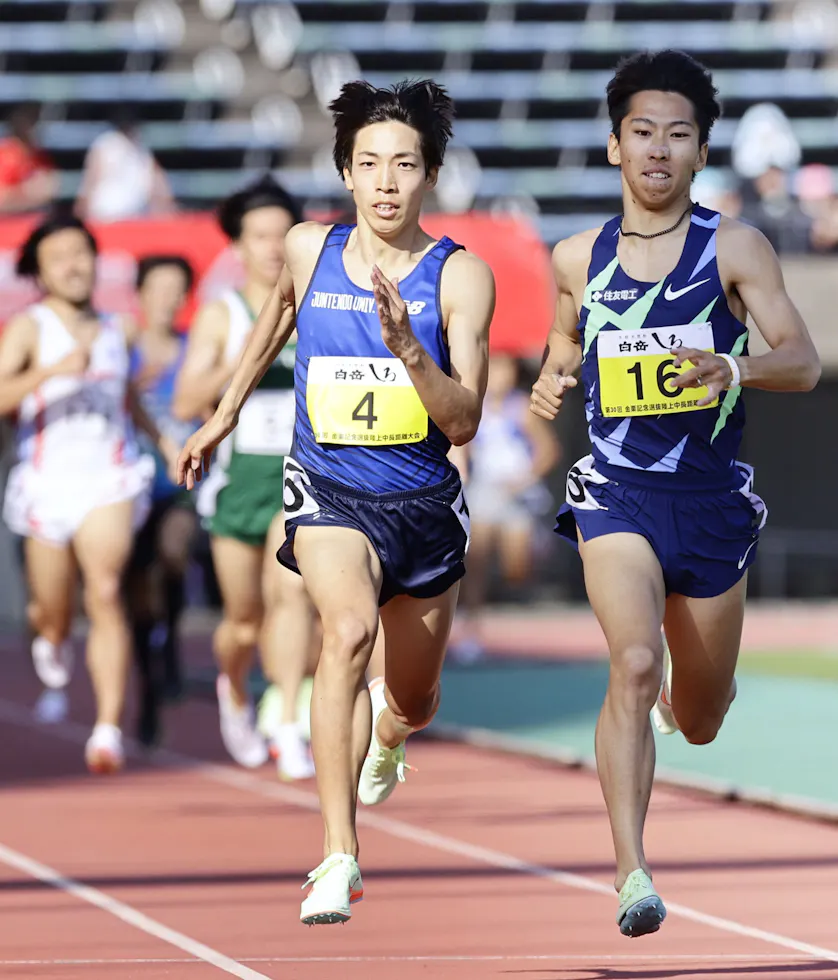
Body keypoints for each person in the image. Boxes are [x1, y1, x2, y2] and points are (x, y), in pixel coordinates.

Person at [178, 79, 495, 925]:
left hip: (424, 504)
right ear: (346, 175)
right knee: (346, 631)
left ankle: (391, 734)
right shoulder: (309, 249)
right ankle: (336, 852)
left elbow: (464, 421)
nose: (386, 182)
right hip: (328, 489)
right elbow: (273, 323)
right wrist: (221, 415)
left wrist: (407, 352)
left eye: (404, 165)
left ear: (430, 175)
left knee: (415, 697)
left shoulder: (460, 278)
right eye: (369, 165)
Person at [530, 50, 821, 938]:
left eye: (679, 135)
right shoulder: (576, 257)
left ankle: (688, 699)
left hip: (709, 503)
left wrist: (731, 363)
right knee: (632, 660)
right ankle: (631, 873)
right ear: (615, 146)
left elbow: (803, 362)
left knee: (698, 717)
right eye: (643, 133)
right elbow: (561, 348)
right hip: (616, 493)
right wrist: (551, 379)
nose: (659, 150)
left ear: (700, 153)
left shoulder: (735, 247)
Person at [0, 214, 179, 772]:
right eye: (61, 258)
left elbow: (126, 395)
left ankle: (106, 728)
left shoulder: (115, 328)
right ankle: (48, 631)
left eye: (82, 253)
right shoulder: (31, 328)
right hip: (47, 480)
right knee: (55, 611)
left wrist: (165, 442)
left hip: (109, 474)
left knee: (104, 590)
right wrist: (52, 370)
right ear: (42, 271)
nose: (76, 265)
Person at [172, 175, 316, 780]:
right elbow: (184, 402)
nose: (272, 246)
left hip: (302, 476)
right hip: (239, 482)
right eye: (260, 236)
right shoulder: (222, 313)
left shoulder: (316, 302)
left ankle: (285, 719)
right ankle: (233, 682)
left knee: (293, 595)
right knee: (243, 619)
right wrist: (247, 359)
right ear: (238, 246)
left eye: (283, 234)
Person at [127, 254, 199, 747]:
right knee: (136, 593)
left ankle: (171, 643)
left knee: (173, 556)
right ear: (140, 294)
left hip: (177, 487)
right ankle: (148, 687)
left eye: (177, 289)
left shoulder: (194, 351)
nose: (167, 298)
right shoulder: (122, 350)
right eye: (158, 288)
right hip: (126, 487)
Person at [453, 352, 560, 662]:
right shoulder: (476, 407)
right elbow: (463, 448)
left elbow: (549, 451)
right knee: (475, 556)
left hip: (519, 491)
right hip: (485, 490)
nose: (500, 377)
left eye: (505, 370)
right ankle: (471, 629)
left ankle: (536, 547)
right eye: (494, 370)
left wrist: (523, 479)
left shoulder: (522, 408)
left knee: (517, 571)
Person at [0, 103, 58, 213]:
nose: (36, 125)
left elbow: (51, 187)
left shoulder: (39, 154)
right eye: (32, 119)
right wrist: (25, 193)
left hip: (35, 217)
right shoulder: (6, 153)